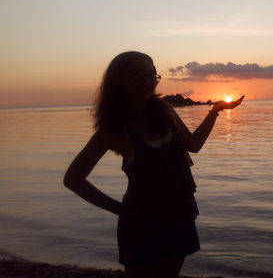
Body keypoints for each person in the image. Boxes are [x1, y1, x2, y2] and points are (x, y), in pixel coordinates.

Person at [63, 51, 244, 278]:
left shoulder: (165, 111)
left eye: (151, 75)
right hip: (141, 225)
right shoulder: (115, 129)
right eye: (136, 74)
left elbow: (193, 145)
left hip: (179, 215)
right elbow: (73, 179)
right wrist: (120, 209)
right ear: (118, 80)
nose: (146, 81)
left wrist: (215, 112)